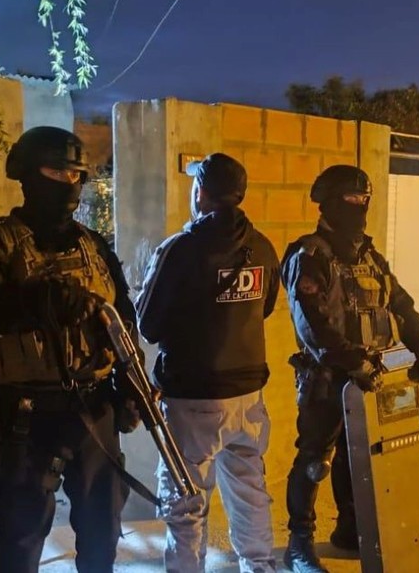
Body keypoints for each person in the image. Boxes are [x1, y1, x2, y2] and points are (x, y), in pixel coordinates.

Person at [0, 126, 141, 573]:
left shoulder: (93, 245)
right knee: (20, 536)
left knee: (102, 530)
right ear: (27, 175)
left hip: (95, 409)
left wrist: (132, 385)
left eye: (76, 173)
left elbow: (123, 318)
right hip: (26, 416)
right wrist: (36, 302)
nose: (69, 182)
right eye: (56, 171)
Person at [281, 165, 419, 573]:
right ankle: (299, 545)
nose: (359, 207)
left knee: (361, 460)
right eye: (351, 200)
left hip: (368, 376)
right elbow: (312, 322)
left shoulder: (370, 256)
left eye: (364, 200)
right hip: (327, 377)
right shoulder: (310, 255)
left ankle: (351, 530)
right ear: (329, 202)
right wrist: (353, 361)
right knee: (316, 460)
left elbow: (400, 305)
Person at [136, 153, 281, 573]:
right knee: (251, 492)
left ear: (199, 193)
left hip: (194, 400)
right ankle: (259, 566)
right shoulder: (263, 245)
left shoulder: (180, 249)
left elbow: (148, 325)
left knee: (185, 502)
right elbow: (265, 307)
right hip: (249, 396)